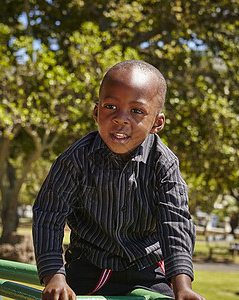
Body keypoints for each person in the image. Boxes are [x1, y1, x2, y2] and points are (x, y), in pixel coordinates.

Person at [33, 60, 205, 300]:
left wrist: (182, 286)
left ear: (157, 122)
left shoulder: (164, 164)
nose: (121, 118)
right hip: (90, 265)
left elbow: (175, 223)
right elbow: (48, 216)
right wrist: (55, 277)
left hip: (148, 269)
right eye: (110, 106)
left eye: (137, 111)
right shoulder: (76, 159)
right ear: (96, 112)